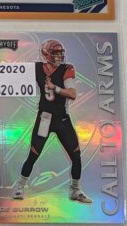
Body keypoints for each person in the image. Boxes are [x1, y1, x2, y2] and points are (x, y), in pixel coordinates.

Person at [12, 39, 91, 203]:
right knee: (33, 155)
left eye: (61, 52)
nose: (59, 56)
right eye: (55, 53)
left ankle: (75, 190)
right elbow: (13, 73)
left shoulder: (66, 69)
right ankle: (20, 186)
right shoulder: (37, 68)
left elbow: (72, 94)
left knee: (76, 156)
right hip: (45, 119)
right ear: (46, 54)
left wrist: (55, 87)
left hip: (62, 119)